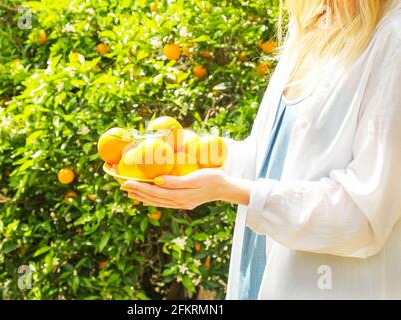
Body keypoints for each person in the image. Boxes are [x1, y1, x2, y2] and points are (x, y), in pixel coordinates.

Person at [120, 0, 401, 299]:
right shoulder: (313, 21)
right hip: (255, 278)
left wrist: (229, 190)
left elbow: (361, 216)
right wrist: (198, 151)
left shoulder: (392, 41)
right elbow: (270, 158)